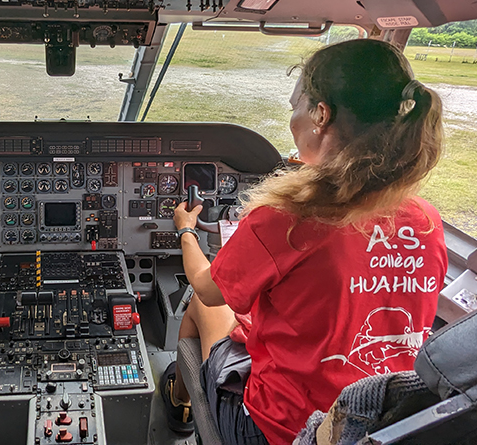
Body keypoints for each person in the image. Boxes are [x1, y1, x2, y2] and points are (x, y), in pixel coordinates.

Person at [161, 39, 448, 445]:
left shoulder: (289, 217)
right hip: (381, 423)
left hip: (281, 429)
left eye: (296, 105)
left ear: (321, 114)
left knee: (197, 304)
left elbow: (209, 291)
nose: (293, 117)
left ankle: (180, 407)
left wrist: (186, 230)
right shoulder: (426, 220)